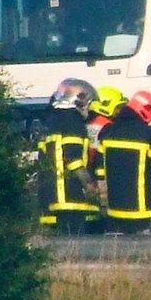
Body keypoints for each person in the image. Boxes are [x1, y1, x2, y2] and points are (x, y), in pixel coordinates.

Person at [95, 90, 151, 233]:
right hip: (142, 212)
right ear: (145, 111)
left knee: (115, 253)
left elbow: (100, 172)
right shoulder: (149, 135)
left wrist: (103, 201)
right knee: (142, 253)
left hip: (114, 211)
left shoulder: (107, 132)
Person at [37, 78, 100, 232]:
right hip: (69, 196)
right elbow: (72, 159)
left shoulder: (51, 121)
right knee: (75, 245)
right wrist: (89, 184)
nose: (90, 110)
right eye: (89, 104)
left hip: (49, 195)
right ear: (79, 102)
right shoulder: (73, 122)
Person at [86, 85, 127, 160]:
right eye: (117, 107)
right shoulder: (109, 127)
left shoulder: (86, 123)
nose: (119, 111)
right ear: (106, 106)